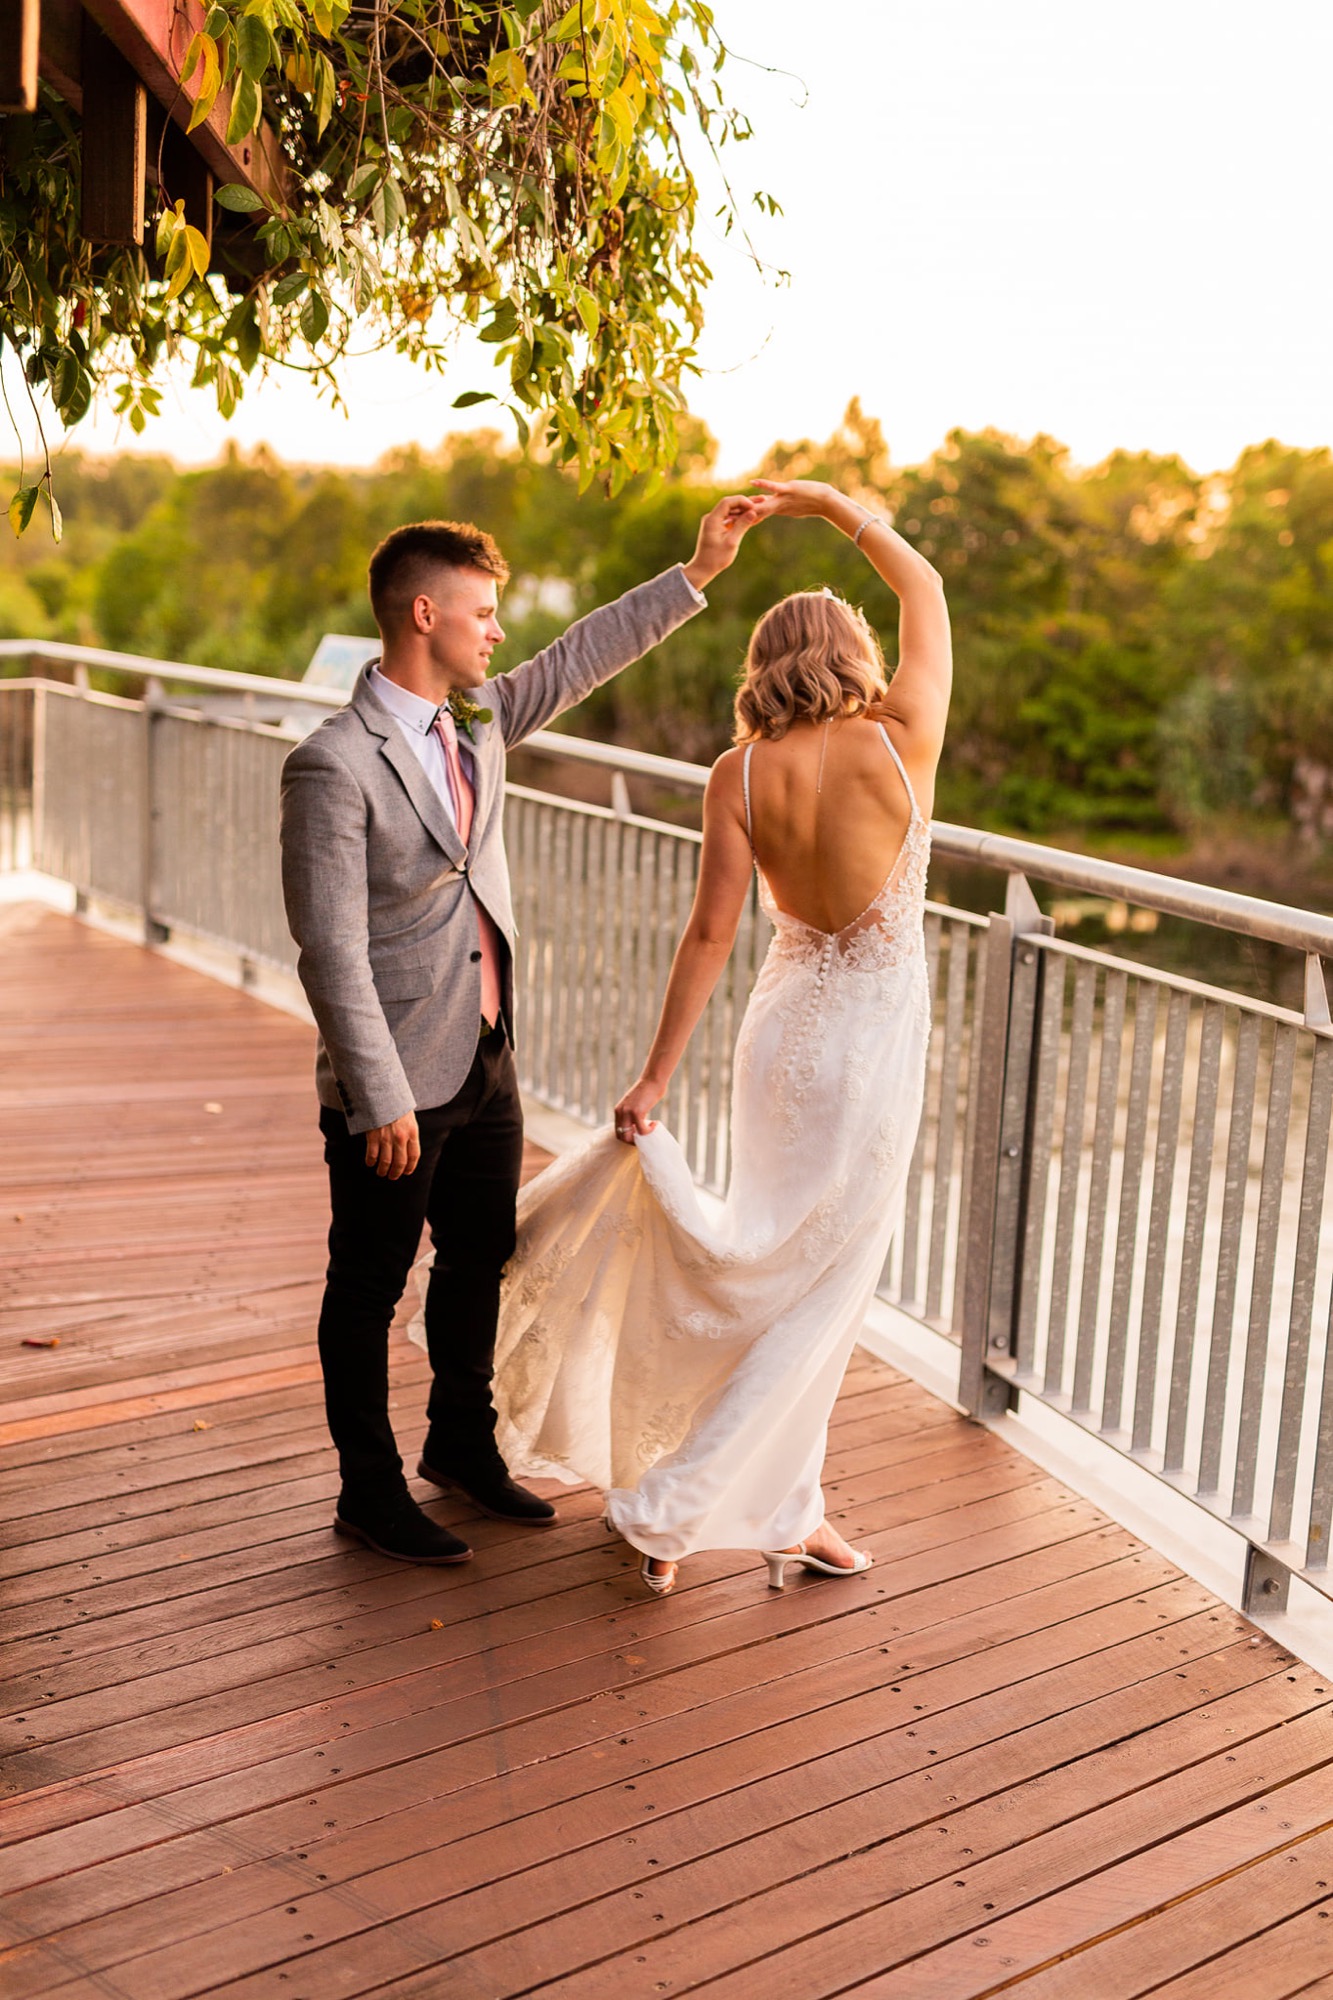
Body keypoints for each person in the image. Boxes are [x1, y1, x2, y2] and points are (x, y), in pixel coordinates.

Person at [484, 476, 951, 1593]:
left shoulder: (736, 773)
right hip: (870, 1048)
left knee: (770, 1259)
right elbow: (925, 587)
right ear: (853, 655)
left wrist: (655, 1077)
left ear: (764, 665)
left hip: (780, 1038)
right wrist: (832, 505)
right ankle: (673, 1507)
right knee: (821, 1287)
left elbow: (708, 934)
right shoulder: (901, 741)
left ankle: (793, 1510)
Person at [279, 496, 764, 1566]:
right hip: (394, 1077)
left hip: (486, 1051)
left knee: (480, 1258)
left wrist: (696, 572)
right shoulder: (332, 762)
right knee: (367, 1284)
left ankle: (460, 1443)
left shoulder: (481, 717)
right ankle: (368, 1491)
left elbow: (581, 655)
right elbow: (329, 949)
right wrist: (379, 1094)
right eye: (483, 612)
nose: (498, 631)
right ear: (424, 614)